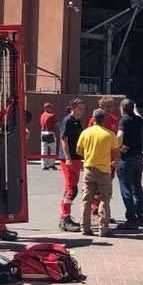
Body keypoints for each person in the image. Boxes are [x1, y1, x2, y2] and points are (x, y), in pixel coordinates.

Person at [76, 108, 120, 237]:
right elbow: (116, 153)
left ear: (93, 118)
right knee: (104, 199)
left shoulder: (85, 133)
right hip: (104, 170)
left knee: (86, 199)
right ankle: (103, 228)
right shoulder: (110, 134)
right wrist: (114, 162)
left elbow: (78, 150)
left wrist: (88, 155)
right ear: (104, 119)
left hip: (89, 168)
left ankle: (85, 227)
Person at [0, 103, 20, 242]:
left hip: (6, 154)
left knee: (3, 190)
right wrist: (2, 119)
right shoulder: (6, 111)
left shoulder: (13, 112)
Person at [116, 98, 143, 230]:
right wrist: (135, 109)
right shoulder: (139, 120)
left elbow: (119, 135)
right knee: (137, 188)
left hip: (126, 158)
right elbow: (139, 116)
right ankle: (141, 217)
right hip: (138, 158)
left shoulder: (124, 120)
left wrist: (118, 147)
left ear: (122, 109)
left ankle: (131, 218)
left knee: (126, 188)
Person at [57, 98, 85, 232]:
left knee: (71, 188)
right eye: (80, 109)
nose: (82, 111)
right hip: (69, 159)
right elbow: (64, 140)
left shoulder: (77, 121)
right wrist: (67, 158)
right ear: (73, 108)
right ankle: (65, 219)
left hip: (76, 158)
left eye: (83, 109)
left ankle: (65, 217)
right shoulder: (67, 121)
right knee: (71, 189)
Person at [39, 102, 58, 170]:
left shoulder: (42, 115)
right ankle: (52, 164)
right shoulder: (51, 115)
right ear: (47, 108)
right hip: (50, 133)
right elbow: (56, 124)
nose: (51, 108)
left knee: (44, 149)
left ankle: (44, 165)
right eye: (50, 107)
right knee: (53, 149)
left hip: (43, 133)